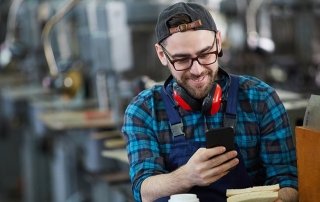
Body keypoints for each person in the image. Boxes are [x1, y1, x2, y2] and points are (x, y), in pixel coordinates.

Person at [122, 2, 298, 202]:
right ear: (162, 55)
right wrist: (186, 176)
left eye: (205, 54)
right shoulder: (143, 110)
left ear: (218, 42)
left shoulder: (261, 99)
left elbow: (287, 180)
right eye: (182, 59)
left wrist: (282, 198)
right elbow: (143, 190)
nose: (197, 70)